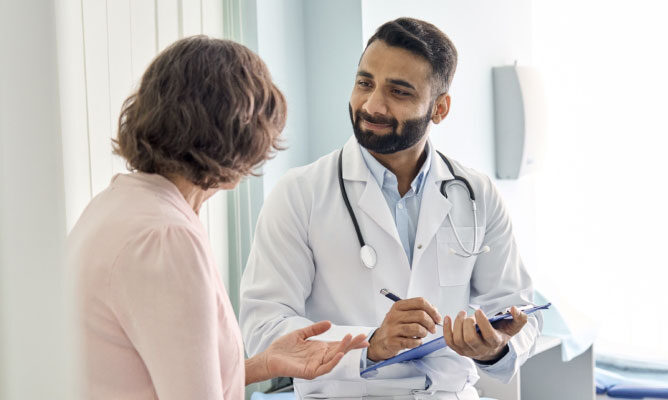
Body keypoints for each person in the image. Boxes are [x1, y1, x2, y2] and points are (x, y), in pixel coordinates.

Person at [239, 18, 542, 399]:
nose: (372, 105)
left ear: (440, 108)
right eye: (365, 83)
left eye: (399, 92)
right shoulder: (300, 194)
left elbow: (520, 310)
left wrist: (494, 347)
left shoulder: (476, 193)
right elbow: (263, 327)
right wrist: (371, 343)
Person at [67, 36, 368, 400]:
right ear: (240, 135)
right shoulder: (166, 238)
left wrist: (266, 363)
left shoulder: (115, 204)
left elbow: (162, 373)